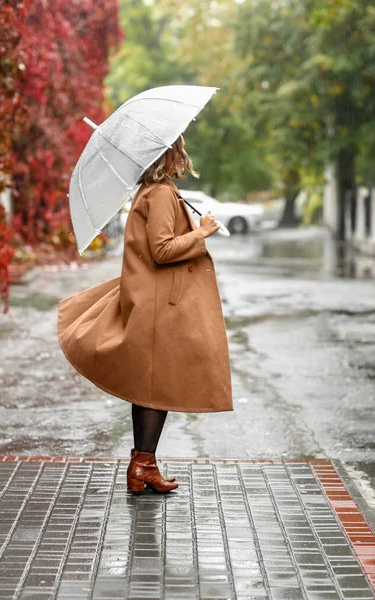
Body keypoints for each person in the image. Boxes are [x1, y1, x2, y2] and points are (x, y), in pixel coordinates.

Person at [58, 134, 233, 495]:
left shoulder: (153, 191)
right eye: (179, 148)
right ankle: (142, 466)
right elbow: (162, 250)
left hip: (151, 302)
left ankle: (143, 466)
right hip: (158, 308)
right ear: (167, 154)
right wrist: (201, 234)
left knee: (150, 386)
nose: (183, 154)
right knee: (156, 387)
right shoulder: (161, 194)